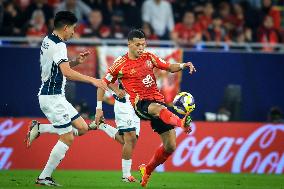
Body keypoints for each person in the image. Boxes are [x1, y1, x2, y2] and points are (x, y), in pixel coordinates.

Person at [97, 29, 196, 187]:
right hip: (140, 104)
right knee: (155, 111)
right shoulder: (120, 63)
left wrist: (184, 65)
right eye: (138, 45)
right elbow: (103, 83)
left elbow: (169, 66)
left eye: (143, 44)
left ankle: (147, 170)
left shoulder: (149, 57)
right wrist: (99, 107)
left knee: (170, 146)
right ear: (129, 44)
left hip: (158, 102)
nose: (141, 48)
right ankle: (181, 123)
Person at [25, 11, 107, 186]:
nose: (74, 33)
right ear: (66, 27)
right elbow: (66, 73)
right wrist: (92, 80)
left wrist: (76, 61)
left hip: (56, 96)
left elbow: (60, 67)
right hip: (51, 97)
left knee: (83, 128)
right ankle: (44, 177)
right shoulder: (60, 45)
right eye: (73, 29)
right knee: (68, 137)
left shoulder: (48, 40)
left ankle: (40, 128)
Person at [93, 82, 140, 182]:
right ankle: (126, 176)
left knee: (131, 141)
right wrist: (99, 108)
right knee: (130, 139)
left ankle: (102, 126)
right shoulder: (119, 66)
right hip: (124, 103)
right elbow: (103, 82)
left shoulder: (147, 66)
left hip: (137, 104)